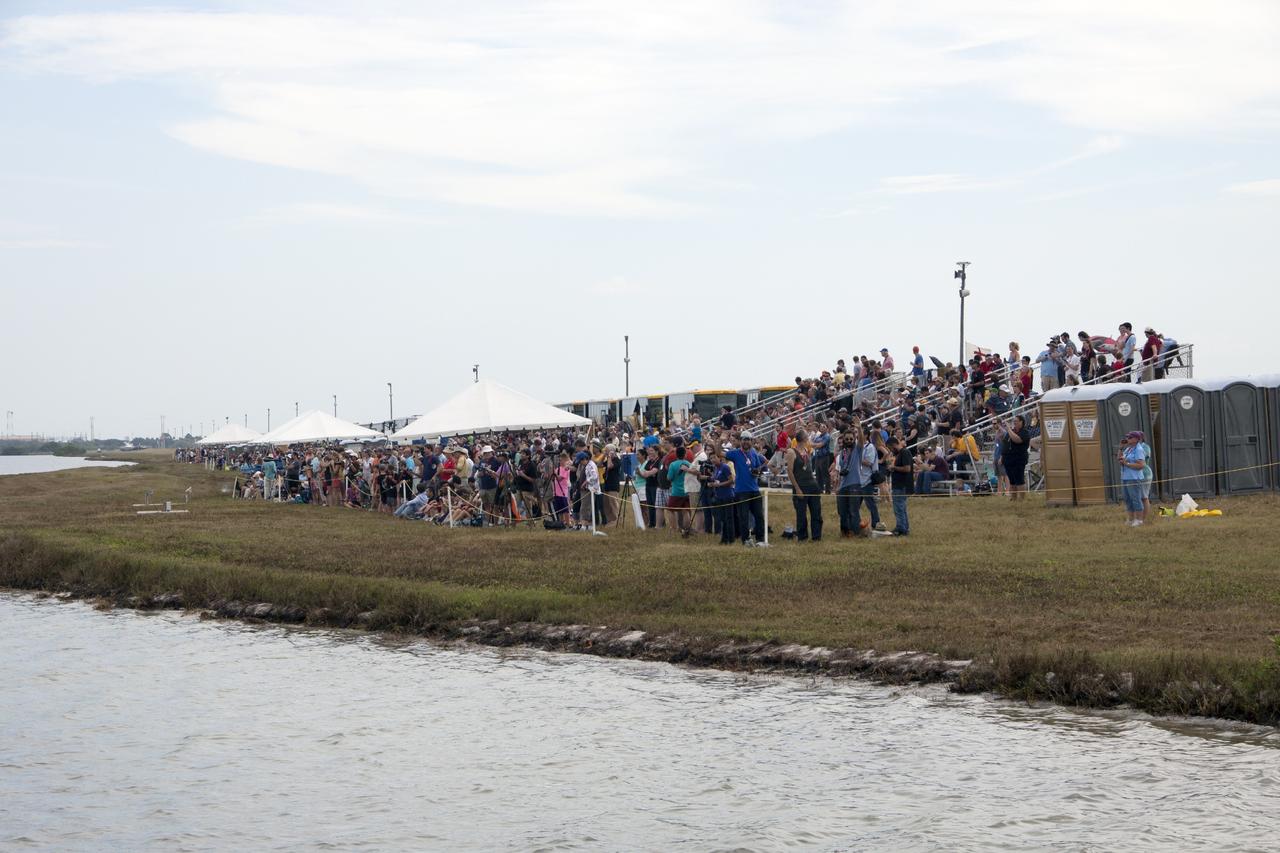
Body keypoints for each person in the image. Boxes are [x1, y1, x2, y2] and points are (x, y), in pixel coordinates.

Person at [725, 431, 766, 545]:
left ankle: (760, 539)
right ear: (740, 441)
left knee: (759, 516)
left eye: (748, 439)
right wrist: (720, 441)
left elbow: (760, 465)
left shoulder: (753, 453)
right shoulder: (735, 453)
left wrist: (758, 470)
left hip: (754, 489)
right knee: (743, 517)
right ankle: (746, 540)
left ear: (751, 441)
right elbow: (719, 453)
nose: (746, 441)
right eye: (743, 439)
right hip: (741, 491)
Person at [787, 429, 822, 542]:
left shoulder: (807, 450)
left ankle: (816, 536)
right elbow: (790, 471)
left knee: (816, 512)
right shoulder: (792, 452)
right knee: (801, 514)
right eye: (807, 436)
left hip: (812, 484)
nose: (809, 438)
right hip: (801, 485)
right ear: (803, 439)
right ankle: (802, 537)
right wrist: (797, 488)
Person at [708, 444, 737, 544]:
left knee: (729, 518)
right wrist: (711, 482)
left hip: (727, 495)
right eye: (710, 458)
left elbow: (731, 480)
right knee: (722, 518)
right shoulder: (716, 468)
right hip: (719, 496)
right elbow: (716, 479)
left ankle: (731, 539)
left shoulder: (724, 467)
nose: (712, 460)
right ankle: (724, 538)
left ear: (719, 458)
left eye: (714, 457)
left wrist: (719, 485)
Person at [1118, 430, 1148, 526]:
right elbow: (1119, 459)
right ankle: (1131, 519)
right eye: (1127, 437)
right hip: (1125, 477)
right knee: (1127, 499)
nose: (1127, 439)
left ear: (1136, 439)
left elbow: (1141, 465)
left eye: (1130, 437)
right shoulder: (1128, 449)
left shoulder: (1138, 449)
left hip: (1134, 478)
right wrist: (1121, 448)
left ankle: (1139, 520)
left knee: (1135, 499)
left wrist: (1127, 463)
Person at [887, 435, 914, 536]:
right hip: (898, 484)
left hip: (901, 484)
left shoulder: (904, 452)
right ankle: (903, 527)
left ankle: (901, 528)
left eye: (890, 447)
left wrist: (894, 467)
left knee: (899, 507)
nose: (890, 450)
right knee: (900, 507)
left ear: (893, 445)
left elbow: (907, 468)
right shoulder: (899, 454)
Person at [1000, 413, 1030, 501]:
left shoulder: (1024, 432)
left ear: (1021, 422)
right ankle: (1013, 498)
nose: (1014, 423)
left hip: (1018, 459)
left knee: (1019, 480)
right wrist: (1002, 457)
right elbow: (1005, 444)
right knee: (1012, 480)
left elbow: (1017, 440)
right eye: (1014, 421)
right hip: (1008, 459)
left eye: (1016, 421)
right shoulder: (1011, 431)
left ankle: (1021, 499)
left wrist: (1009, 429)